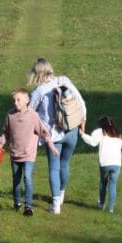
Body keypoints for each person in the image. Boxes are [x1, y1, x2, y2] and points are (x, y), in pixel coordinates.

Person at [27, 58, 87, 214]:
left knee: (54, 168)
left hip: (53, 135)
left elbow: (29, 113)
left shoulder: (38, 92)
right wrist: (83, 121)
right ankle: (61, 195)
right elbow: (80, 101)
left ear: (36, 73)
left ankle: (55, 205)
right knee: (65, 164)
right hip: (71, 130)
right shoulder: (63, 81)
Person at [0, 88, 59, 216]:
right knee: (16, 180)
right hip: (15, 154)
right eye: (14, 100)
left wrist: (51, 146)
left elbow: (44, 132)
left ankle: (28, 207)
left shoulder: (33, 116)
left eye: (18, 100)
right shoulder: (10, 115)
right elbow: (5, 134)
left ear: (27, 100)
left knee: (27, 178)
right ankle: (17, 202)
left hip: (29, 154)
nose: (16, 103)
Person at [80, 116, 122, 214]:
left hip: (104, 163)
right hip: (116, 164)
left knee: (103, 183)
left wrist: (83, 135)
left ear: (101, 125)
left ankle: (101, 204)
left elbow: (93, 142)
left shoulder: (99, 132)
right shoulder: (118, 134)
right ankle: (111, 209)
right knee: (113, 185)